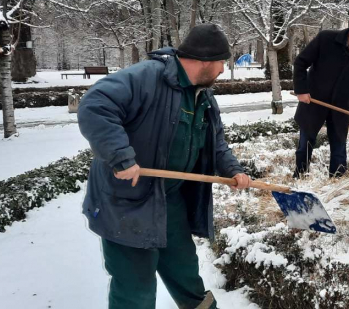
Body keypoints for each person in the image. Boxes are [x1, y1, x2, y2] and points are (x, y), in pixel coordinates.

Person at [77, 23, 252, 308]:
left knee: (186, 275)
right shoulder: (147, 77)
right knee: (135, 288)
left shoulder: (203, 95)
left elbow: (215, 142)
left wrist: (233, 170)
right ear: (205, 61)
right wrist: (121, 156)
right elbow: (95, 105)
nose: (222, 69)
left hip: (169, 201)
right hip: (127, 204)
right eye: (222, 62)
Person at [292, 13, 349, 177]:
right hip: (313, 102)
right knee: (305, 145)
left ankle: (337, 183)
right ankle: (299, 179)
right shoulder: (326, 39)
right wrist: (301, 90)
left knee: (339, 148)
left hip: (341, 107)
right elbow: (301, 63)